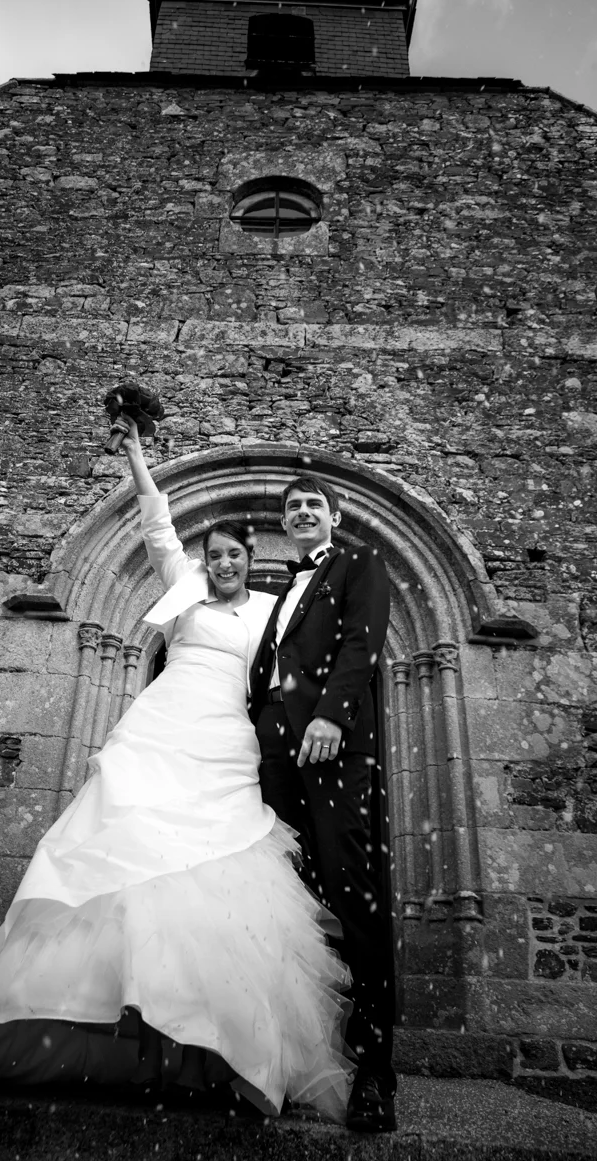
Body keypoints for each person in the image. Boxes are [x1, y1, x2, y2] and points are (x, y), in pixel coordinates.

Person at [0, 420, 355, 1122]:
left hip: (224, 739)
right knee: (124, 842)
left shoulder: (272, 614)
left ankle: (200, 1043)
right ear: (205, 561)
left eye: (234, 554)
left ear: (251, 560)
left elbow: (297, 668)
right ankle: (81, 1020)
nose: (223, 562)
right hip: (162, 724)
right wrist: (136, 456)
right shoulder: (183, 592)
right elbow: (156, 526)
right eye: (214, 554)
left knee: (212, 859)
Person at [248, 474, 395, 1132]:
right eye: (293, 506)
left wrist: (332, 714)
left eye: (314, 504)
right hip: (275, 747)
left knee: (352, 890)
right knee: (289, 892)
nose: (303, 511)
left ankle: (373, 1071)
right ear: (284, 522)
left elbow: (362, 642)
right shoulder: (282, 591)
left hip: (332, 742)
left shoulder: (360, 562)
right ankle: (296, 1055)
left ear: (335, 515)